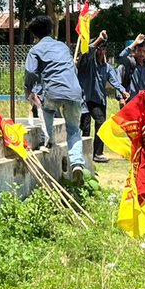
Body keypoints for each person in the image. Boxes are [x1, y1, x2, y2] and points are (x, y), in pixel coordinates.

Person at [24, 15, 87, 183]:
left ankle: (48, 140)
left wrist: (28, 89)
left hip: (53, 91)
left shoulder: (35, 50)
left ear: (35, 35)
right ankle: (77, 163)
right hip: (74, 91)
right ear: (50, 31)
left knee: (46, 108)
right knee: (73, 130)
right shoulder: (63, 47)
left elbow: (30, 72)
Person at [77, 30, 128, 163]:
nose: (102, 51)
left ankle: (98, 153)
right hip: (84, 99)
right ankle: (83, 154)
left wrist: (122, 91)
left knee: (101, 123)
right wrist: (98, 39)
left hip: (99, 100)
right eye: (100, 48)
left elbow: (114, 81)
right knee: (85, 127)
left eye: (104, 48)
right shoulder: (88, 63)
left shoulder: (107, 67)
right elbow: (87, 52)